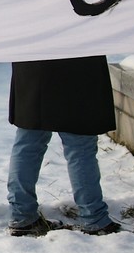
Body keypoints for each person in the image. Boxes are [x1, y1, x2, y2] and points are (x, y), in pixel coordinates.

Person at [6, 56, 121, 236]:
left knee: (28, 143)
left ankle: (22, 216)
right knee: (80, 146)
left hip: (33, 62)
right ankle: (94, 218)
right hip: (77, 63)